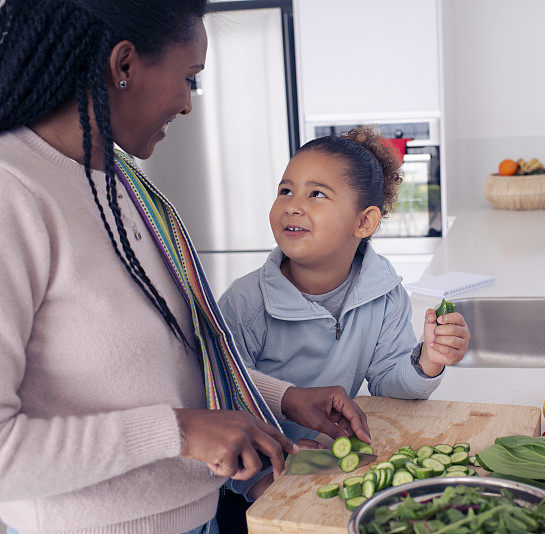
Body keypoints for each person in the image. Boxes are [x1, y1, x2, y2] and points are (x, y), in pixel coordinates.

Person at [0, 1, 370, 533]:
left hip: (198, 518)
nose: (187, 104)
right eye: (189, 79)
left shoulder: (121, 184)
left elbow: (161, 365)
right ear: (123, 65)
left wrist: (282, 398)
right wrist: (180, 433)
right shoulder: (15, 192)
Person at [218, 126, 471, 498]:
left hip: (330, 470)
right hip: (256, 479)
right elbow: (219, 395)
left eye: (316, 194)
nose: (293, 204)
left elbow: (387, 379)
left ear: (364, 222)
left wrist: (428, 361)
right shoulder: (245, 302)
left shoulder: (385, 294)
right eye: (285, 190)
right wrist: (262, 482)